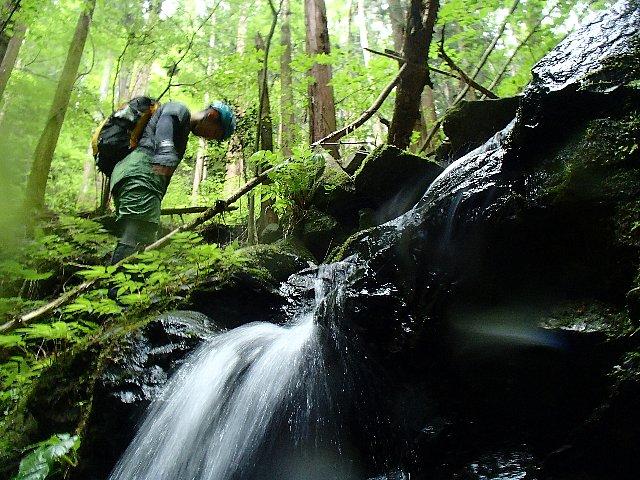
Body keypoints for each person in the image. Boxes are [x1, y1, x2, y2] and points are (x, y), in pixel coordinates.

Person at [109, 100, 236, 265]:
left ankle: (121, 284)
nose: (209, 138)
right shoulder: (179, 109)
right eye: (215, 134)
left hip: (134, 177)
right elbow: (167, 120)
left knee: (136, 237)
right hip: (141, 176)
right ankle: (117, 289)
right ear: (212, 115)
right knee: (137, 237)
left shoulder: (183, 132)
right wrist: (166, 148)